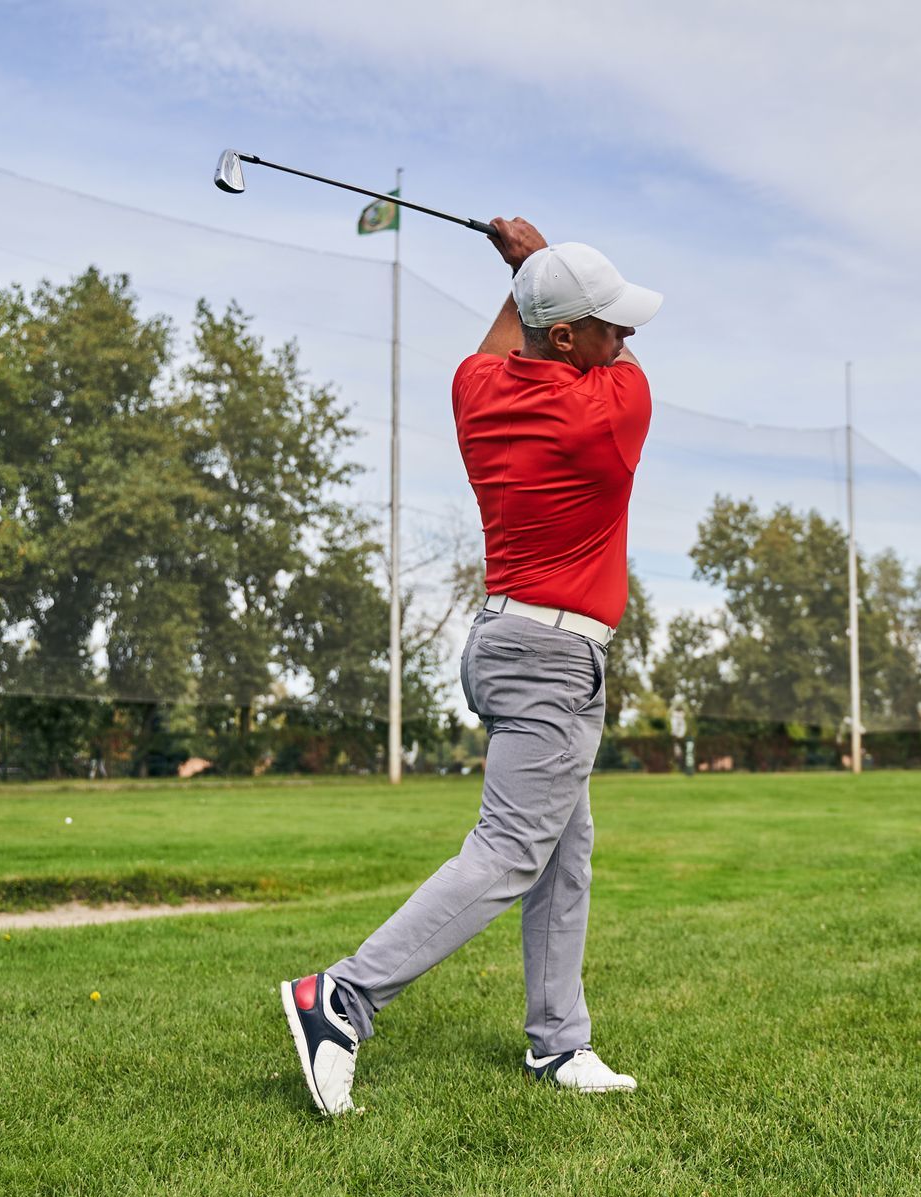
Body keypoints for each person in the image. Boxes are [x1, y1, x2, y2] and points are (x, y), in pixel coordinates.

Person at [279, 217, 662, 1114]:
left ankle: (558, 1043)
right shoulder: (610, 411)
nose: (627, 337)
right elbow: (612, 363)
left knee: (567, 853)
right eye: (610, 325)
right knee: (510, 852)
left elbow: (512, 335)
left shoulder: (476, 389)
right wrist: (528, 261)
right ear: (569, 339)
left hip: (500, 645)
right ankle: (342, 997)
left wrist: (528, 270)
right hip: (555, 659)